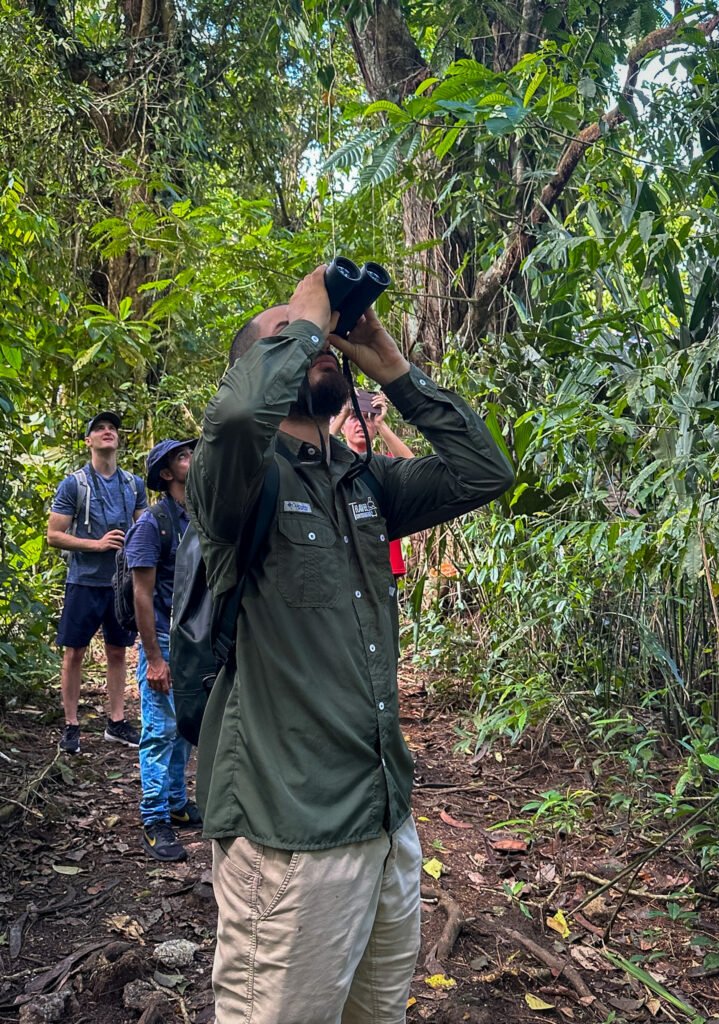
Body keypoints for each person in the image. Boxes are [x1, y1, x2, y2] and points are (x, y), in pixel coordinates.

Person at [186, 266, 513, 1024]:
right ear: (256, 369)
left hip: (384, 819)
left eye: (318, 335)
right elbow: (236, 421)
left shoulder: (363, 484)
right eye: (287, 337)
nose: (317, 341)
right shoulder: (235, 479)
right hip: (291, 833)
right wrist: (301, 322)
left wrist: (391, 366)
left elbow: (486, 472)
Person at [47, 411, 147, 755]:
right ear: (88, 441)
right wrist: (97, 545)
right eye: (99, 429)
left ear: (118, 439)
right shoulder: (75, 484)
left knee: (118, 650)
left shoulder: (133, 485)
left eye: (112, 429)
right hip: (85, 581)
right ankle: (71, 725)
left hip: (121, 584)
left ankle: (116, 722)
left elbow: (142, 529)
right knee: (74, 651)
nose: (107, 432)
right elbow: (54, 535)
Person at [125, 439, 202, 862]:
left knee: (185, 727)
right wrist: (153, 657)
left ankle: (176, 802)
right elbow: (142, 593)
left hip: (192, 642)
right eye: (182, 457)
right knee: (158, 730)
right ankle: (155, 820)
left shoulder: (197, 516)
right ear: (167, 474)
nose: (191, 459)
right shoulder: (153, 524)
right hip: (164, 641)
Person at [332, 389, 415, 578]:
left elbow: (413, 467)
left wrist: (381, 424)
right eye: (354, 417)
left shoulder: (384, 466)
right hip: (344, 566)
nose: (361, 423)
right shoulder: (331, 465)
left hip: (383, 564)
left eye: (368, 417)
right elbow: (312, 459)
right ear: (343, 427)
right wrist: (343, 412)